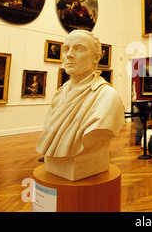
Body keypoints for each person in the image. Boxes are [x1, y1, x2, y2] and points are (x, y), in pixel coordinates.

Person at [35, 30, 124, 180]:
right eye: (66, 49)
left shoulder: (108, 97)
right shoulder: (60, 94)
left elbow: (98, 132)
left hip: (86, 168)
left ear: (95, 57)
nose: (69, 54)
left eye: (79, 48)